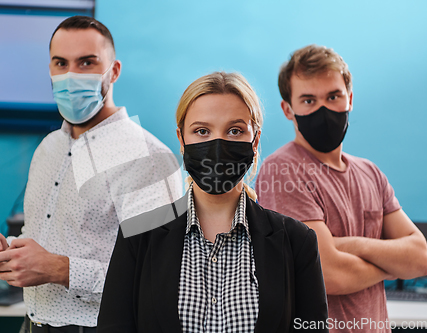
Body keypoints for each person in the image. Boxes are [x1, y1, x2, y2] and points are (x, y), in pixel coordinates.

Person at [0, 16, 182, 332]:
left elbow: (159, 274)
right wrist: (11, 251)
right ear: (50, 69)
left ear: (114, 71)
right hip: (32, 324)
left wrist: (61, 269)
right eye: (61, 63)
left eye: (86, 63)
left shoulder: (150, 158)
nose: (71, 75)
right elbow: (47, 237)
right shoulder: (49, 147)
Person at [97, 72, 329, 333]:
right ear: (181, 140)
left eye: (235, 131)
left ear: (255, 141)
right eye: (202, 131)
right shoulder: (137, 236)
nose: (217, 145)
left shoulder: (297, 241)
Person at [256, 44, 427, 332]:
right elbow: (330, 274)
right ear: (288, 109)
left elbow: (421, 258)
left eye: (333, 96)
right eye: (308, 100)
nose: (323, 109)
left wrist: (351, 244)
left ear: (349, 98)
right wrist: (393, 262)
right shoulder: (282, 170)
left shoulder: (371, 173)